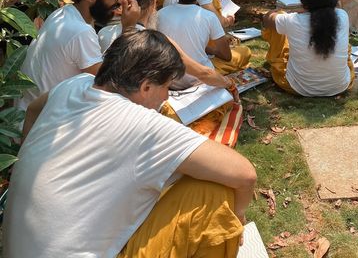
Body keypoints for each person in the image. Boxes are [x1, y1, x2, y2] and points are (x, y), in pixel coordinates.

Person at [4, 30, 256, 258]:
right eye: (166, 87)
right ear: (146, 86)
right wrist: (240, 213)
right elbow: (244, 174)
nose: (167, 96)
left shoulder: (72, 86)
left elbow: (34, 110)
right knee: (215, 194)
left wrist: (25, 158)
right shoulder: (145, 126)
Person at [18, 0, 140, 110]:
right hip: (42, 124)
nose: (122, 0)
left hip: (31, 112)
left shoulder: (63, 13)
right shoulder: (80, 31)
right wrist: (129, 28)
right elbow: (111, 84)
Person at [98, 0, 235, 92]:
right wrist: (230, 84)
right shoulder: (156, 41)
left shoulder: (103, 33)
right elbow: (203, 73)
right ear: (153, 3)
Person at [262, 0, 354, 96]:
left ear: (304, 2)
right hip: (339, 86)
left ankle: (275, 57)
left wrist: (285, 11)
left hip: (298, 87)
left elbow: (266, 19)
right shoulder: (342, 16)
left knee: (275, 27)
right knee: (345, 46)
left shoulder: (292, 20)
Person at [158, 0, 249, 78]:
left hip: (168, 77)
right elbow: (226, 56)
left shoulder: (160, 14)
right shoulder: (209, 17)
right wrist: (207, 49)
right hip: (201, 77)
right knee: (244, 52)